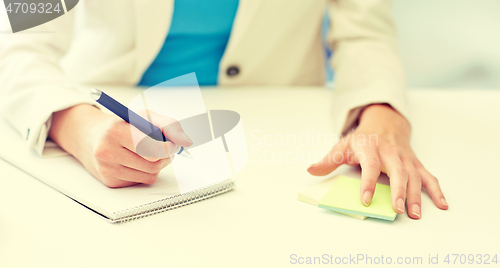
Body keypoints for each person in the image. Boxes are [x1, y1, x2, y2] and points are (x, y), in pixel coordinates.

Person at [0, 0, 448, 219]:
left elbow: (364, 32)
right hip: (107, 120)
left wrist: (380, 112)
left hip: (283, 126)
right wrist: (77, 124)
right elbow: (15, 39)